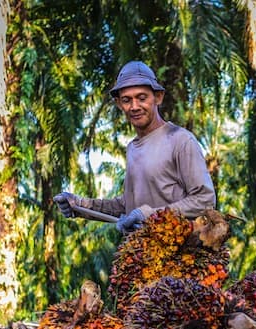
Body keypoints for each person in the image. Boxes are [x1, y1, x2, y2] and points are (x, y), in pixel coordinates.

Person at [54, 60, 216, 233]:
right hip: (141, 248)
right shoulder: (132, 148)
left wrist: (150, 215)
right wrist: (78, 205)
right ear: (119, 104)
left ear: (158, 97)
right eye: (126, 100)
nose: (134, 106)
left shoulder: (180, 140)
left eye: (142, 98)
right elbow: (127, 206)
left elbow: (204, 200)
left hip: (179, 248)